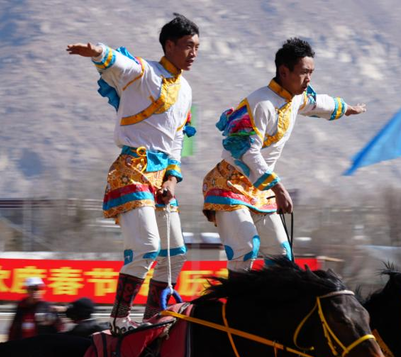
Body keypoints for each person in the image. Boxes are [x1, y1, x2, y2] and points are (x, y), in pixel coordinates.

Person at [67, 14, 199, 333]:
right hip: (132, 171)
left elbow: (179, 138)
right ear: (169, 45)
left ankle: (155, 316)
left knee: (175, 254)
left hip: (161, 177)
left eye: (197, 47)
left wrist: (171, 179)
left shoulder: (186, 90)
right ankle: (119, 317)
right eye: (187, 46)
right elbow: (118, 63)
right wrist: (97, 51)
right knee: (147, 247)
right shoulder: (143, 71)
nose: (193, 53)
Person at [202, 38, 366, 268]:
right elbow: (248, 152)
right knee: (246, 248)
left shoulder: (296, 97)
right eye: (303, 72)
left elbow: (317, 103)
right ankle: (237, 303)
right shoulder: (261, 103)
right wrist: (277, 188)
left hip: (259, 188)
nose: (308, 78)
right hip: (228, 184)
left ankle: (276, 304)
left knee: (280, 254)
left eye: (311, 72)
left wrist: (347, 108)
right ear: (284, 71)